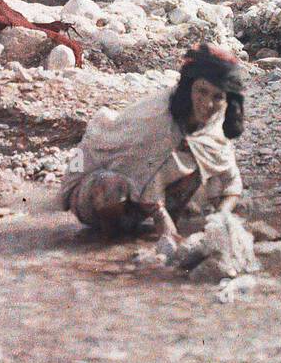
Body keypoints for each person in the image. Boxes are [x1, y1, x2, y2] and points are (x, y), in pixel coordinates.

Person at [61, 44, 245, 244]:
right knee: (111, 185)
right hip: (97, 193)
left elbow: (231, 182)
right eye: (202, 92)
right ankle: (111, 242)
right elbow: (136, 173)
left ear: (227, 100)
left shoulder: (214, 124)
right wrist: (161, 219)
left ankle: (163, 233)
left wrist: (220, 219)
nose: (208, 104)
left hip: (143, 197)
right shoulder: (156, 117)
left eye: (217, 97)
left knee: (198, 164)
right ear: (189, 87)